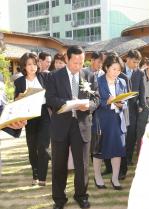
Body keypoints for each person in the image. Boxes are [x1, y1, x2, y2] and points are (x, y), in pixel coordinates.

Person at [46, 45, 99, 209]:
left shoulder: (89, 75)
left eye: (82, 62)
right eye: (75, 62)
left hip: (82, 125)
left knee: (82, 164)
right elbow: (50, 99)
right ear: (67, 59)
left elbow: (96, 98)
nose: (78, 66)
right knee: (59, 164)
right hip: (61, 126)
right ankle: (59, 199)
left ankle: (81, 195)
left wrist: (88, 105)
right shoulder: (54, 77)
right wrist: (68, 104)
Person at [14, 52, 50, 186]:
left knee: (43, 146)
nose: (32, 67)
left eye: (34, 64)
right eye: (29, 64)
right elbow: (16, 100)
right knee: (32, 147)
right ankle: (35, 174)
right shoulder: (19, 81)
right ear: (24, 66)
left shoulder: (45, 76)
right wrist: (19, 98)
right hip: (29, 116)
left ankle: (42, 177)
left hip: (44, 113)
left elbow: (51, 94)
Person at [93, 53, 127, 190]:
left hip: (117, 120)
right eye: (114, 69)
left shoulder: (122, 82)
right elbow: (94, 101)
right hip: (102, 119)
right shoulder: (98, 81)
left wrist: (122, 104)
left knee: (117, 150)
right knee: (99, 150)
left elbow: (125, 101)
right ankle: (97, 176)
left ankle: (115, 178)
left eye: (119, 70)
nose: (116, 72)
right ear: (107, 67)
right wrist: (106, 101)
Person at [118, 49, 146, 179]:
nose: (136, 65)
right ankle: (119, 159)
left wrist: (142, 105)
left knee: (131, 133)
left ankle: (128, 158)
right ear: (127, 59)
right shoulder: (118, 71)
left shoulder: (139, 73)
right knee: (121, 132)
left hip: (133, 107)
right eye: (134, 62)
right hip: (119, 107)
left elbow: (142, 90)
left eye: (137, 63)